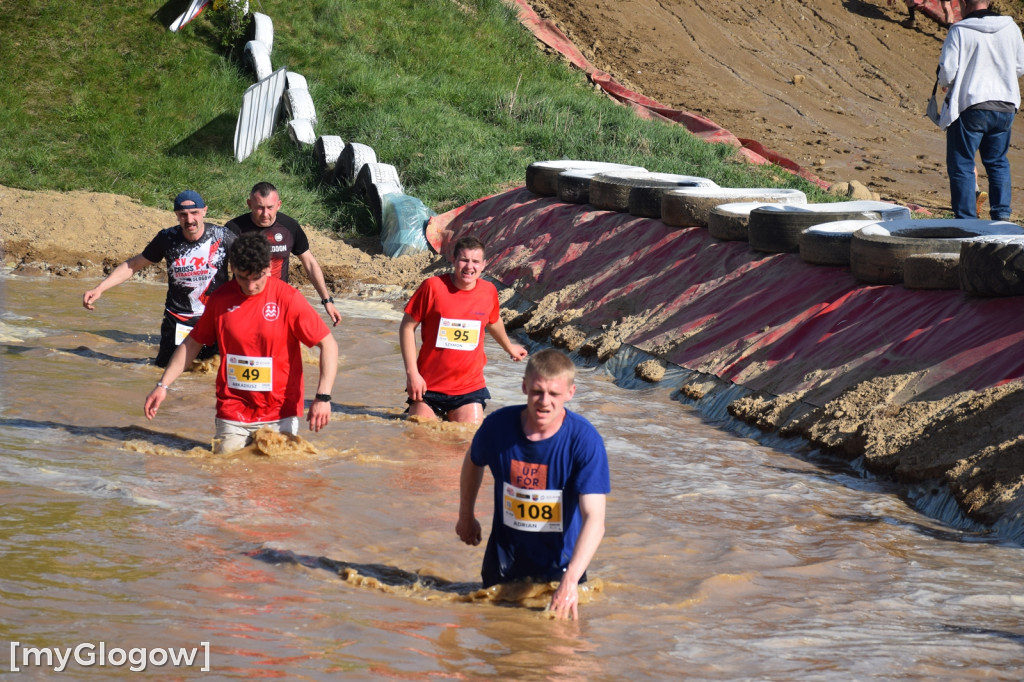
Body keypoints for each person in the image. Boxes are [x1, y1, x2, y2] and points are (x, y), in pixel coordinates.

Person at [144, 232, 338, 454]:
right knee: (225, 470)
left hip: (280, 411)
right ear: (233, 269)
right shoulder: (220, 299)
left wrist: (323, 397)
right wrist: (162, 386)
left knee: (279, 481)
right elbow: (192, 344)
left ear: (267, 268)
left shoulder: (288, 298)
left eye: (257, 277)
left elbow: (328, 345)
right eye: (243, 277)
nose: (251, 285)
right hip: (233, 409)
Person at [456, 349, 610, 620]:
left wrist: (571, 581)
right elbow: (473, 461)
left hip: (561, 570)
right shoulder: (496, 427)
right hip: (503, 565)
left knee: (561, 652)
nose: (544, 402)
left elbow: (595, 519)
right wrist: (465, 516)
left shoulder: (585, 441)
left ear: (570, 393)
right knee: (497, 645)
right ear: (525, 386)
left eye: (554, 394)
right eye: (537, 392)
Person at [82, 190, 235, 367]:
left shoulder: (222, 236)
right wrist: (99, 288)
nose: (190, 220)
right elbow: (133, 265)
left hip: (214, 317)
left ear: (204, 211)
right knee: (166, 369)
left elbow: (249, 267)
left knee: (213, 368)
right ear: (177, 215)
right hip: (178, 319)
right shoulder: (167, 238)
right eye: (183, 215)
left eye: (194, 213)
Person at [399, 236, 528, 424]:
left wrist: (509, 347)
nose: (469, 267)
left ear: (483, 265)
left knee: (465, 440)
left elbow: (493, 320)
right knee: (421, 444)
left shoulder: (489, 291)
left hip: (469, 388)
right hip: (428, 386)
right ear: (453, 260)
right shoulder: (432, 287)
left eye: (475, 261)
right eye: (464, 260)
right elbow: (407, 327)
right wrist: (412, 374)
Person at [937, 0, 1024, 219]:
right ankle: (1001, 216)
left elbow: (947, 72)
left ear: (965, 3)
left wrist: (945, 80)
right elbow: (1020, 68)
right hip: (1005, 105)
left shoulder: (959, 30)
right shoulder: (1011, 27)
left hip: (971, 104)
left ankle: (967, 221)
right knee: (998, 162)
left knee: (963, 164)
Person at [225, 182, 342, 326]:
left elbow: (310, 264)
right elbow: (218, 267)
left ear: (279, 205)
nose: (265, 214)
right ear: (249, 204)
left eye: (270, 207)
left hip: (278, 300)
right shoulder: (233, 229)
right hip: (242, 299)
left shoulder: (289, 227)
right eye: (259, 208)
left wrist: (327, 301)